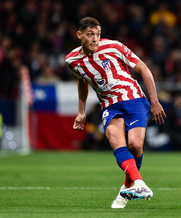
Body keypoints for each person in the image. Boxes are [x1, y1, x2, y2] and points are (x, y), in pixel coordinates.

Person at [65, 17, 166, 209]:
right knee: (115, 140)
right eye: (90, 35)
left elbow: (143, 68)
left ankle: (126, 189)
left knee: (135, 146)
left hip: (133, 98)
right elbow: (82, 81)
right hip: (109, 106)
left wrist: (154, 101)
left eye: (98, 34)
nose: (95, 39)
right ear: (79, 35)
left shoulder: (114, 47)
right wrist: (81, 111)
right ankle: (140, 184)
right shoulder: (72, 60)